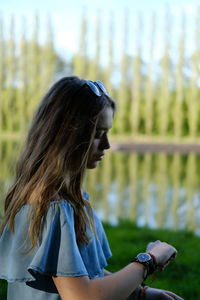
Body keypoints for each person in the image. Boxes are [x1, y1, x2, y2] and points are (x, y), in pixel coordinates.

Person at [0, 76, 184, 300]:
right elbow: (83, 296)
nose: (106, 145)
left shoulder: (63, 200)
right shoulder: (52, 206)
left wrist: (140, 293)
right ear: (66, 136)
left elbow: (80, 274)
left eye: (107, 133)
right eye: (97, 134)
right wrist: (149, 260)